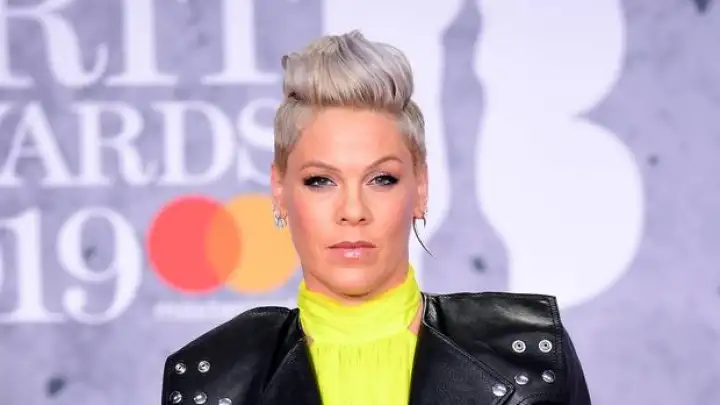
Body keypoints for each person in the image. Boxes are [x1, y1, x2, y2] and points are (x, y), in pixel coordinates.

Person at [160, 31, 591, 405]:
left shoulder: (528, 357)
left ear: (420, 188)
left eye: (382, 179)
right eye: (320, 181)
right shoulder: (214, 379)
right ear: (279, 191)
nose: (353, 211)